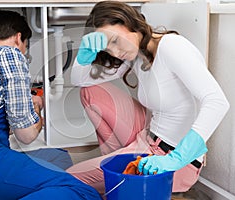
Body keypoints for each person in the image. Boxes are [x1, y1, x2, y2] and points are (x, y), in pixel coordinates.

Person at [67, 0, 230, 195]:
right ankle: (115, 160)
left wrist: (175, 159)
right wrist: (83, 56)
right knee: (90, 92)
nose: (117, 53)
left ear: (129, 22)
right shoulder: (136, 54)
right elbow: (81, 81)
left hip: (173, 158)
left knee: (71, 179)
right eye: (109, 49)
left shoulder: (171, 46)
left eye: (115, 41)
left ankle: (117, 167)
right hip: (147, 137)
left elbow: (217, 101)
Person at [0, 10, 101, 200]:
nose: (24, 53)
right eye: (26, 47)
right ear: (18, 38)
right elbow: (27, 135)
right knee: (82, 191)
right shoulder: (10, 54)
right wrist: (36, 107)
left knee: (57, 157)